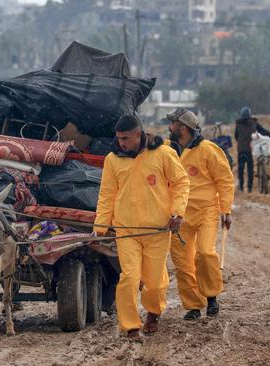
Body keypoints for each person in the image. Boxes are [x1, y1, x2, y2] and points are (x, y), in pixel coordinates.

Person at [94, 115, 189, 339]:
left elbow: (181, 182)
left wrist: (177, 212)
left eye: (126, 138)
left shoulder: (164, 153)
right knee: (129, 277)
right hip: (126, 230)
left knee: (154, 283)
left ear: (139, 134)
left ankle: (153, 313)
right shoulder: (112, 159)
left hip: (157, 230)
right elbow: (107, 194)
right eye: (118, 138)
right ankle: (130, 326)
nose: (121, 143)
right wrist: (101, 226)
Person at [166, 108, 234, 320]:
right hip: (179, 215)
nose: (170, 127)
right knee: (182, 262)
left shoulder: (208, 149)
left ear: (183, 128)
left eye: (173, 124)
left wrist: (226, 209)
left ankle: (212, 296)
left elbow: (224, 180)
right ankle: (193, 305)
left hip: (206, 211)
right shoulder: (168, 150)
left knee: (205, 253)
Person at [234, 107, 270, 193]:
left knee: (241, 168)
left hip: (241, 150)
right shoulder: (254, 123)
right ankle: (250, 188)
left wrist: (241, 141)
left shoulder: (238, 124)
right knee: (250, 168)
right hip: (251, 149)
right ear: (249, 115)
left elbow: (236, 136)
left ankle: (241, 186)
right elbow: (263, 131)